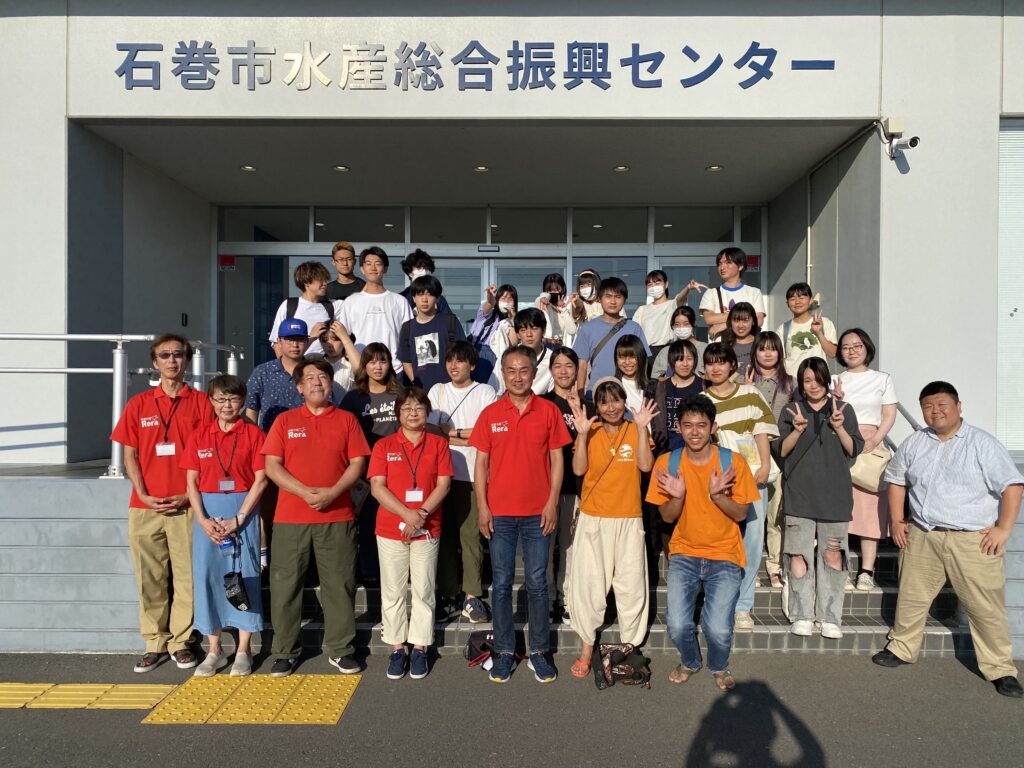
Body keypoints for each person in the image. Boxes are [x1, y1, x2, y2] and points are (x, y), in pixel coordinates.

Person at [873, 381, 1023, 699]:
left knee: (986, 608)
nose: (935, 410)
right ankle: (901, 648)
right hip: (924, 536)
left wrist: (1004, 528)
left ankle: (1001, 669)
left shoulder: (983, 443)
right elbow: (896, 480)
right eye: (928, 405)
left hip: (973, 540)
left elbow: (1013, 485)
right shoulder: (916, 443)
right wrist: (898, 520)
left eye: (942, 404)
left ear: (958, 406)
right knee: (912, 598)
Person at [110, 334, 215, 673]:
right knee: (149, 576)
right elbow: (130, 455)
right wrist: (141, 493)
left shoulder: (201, 403)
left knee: (186, 576)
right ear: (154, 362)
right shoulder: (139, 404)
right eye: (165, 355)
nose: (172, 361)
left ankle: (181, 641)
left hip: (185, 505)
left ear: (186, 360)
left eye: (179, 354)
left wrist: (188, 494)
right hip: (145, 506)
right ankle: (154, 641)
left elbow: (207, 455)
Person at [261, 357, 370, 677]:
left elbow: (357, 464)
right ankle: (284, 651)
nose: (317, 382)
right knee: (285, 588)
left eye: (323, 377)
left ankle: (341, 649)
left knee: (339, 585)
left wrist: (332, 492)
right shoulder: (284, 421)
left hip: (337, 515)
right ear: (299, 387)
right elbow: (272, 466)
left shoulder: (347, 420)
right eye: (309, 378)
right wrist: (304, 491)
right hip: (290, 518)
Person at [470, 346, 571, 684]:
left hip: (537, 514)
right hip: (499, 514)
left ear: (533, 372)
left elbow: (558, 460)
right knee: (500, 585)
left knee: (538, 583)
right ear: (503, 372)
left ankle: (539, 652)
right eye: (511, 370)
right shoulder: (490, 413)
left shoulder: (548, 411)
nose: (517, 376)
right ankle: (503, 652)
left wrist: (552, 502)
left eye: (524, 370)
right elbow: (481, 463)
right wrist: (483, 506)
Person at [646, 395, 760, 691]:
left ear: (713, 427)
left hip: (725, 554)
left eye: (701, 425)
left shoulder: (732, 463)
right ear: (678, 428)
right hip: (683, 552)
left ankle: (719, 666)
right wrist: (678, 495)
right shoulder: (667, 463)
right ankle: (690, 661)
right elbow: (667, 518)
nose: (694, 431)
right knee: (678, 624)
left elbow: (742, 513)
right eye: (688, 425)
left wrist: (719, 495)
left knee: (718, 628)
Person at [567, 379, 658, 678]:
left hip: (629, 518)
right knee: (590, 585)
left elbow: (646, 466)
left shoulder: (635, 430)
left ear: (624, 402)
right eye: (604, 402)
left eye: (616, 400)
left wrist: (643, 428)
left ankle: (629, 650)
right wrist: (581, 436)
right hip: (594, 519)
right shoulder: (589, 431)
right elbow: (578, 470)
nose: (610, 407)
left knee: (631, 584)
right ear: (597, 405)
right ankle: (585, 648)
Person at [182, 375, 268, 677]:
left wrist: (239, 518)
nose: (226, 405)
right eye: (220, 399)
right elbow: (191, 482)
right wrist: (203, 519)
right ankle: (214, 649)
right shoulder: (199, 435)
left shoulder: (254, 434)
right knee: (209, 577)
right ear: (211, 401)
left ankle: (244, 648)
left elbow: (261, 480)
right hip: (208, 512)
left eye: (232, 399)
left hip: (241, 511)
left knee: (244, 576)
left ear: (242, 401)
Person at [368, 387, 453, 681]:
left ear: (427, 412)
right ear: (397, 414)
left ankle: (419, 646)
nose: (413, 413)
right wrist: (407, 514)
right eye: (406, 409)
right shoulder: (384, 446)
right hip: (390, 527)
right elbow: (377, 486)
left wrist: (421, 515)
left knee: (424, 589)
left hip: (428, 528)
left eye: (418, 408)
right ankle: (396, 646)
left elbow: (443, 485)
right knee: (392, 590)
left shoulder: (439, 444)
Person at [775, 358, 862, 640]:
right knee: (798, 557)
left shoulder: (844, 410)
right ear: (800, 383)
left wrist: (838, 426)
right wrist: (798, 430)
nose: (813, 386)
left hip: (834, 497)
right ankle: (802, 615)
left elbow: (852, 449)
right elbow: (782, 451)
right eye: (807, 380)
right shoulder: (791, 409)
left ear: (827, 379)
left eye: (818, 379)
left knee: (833, 557)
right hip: (799, 495)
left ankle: (830, 617)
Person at [701, 343, 779, 631]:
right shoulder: (701, 399)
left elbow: (762, 430)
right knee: (720, 543)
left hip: (752, 478)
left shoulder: (750, 394)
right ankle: (719, 603)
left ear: (733, 365)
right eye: (710, 363)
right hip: (718, 481)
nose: (716, 368)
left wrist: (765, 466)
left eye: (722, 362)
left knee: (753, 542)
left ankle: (743, 606)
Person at [428, 342, 497, 623]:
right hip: (441, 475)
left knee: (470, 537)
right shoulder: (437, 391)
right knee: (442, 538)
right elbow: (431, 431)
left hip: (473, 474)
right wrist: (465, 436)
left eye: (460, 361)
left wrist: (451, 432)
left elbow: (487, 434)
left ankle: (471, 595)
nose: (454, 366)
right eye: (450, 361)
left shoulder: (485, 392)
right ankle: (448, 593)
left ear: (472, 364)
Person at [835, 328, 898, 590]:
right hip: (840, 441)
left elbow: (889, 414)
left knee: (870, 506)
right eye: (846, 346)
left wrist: (874, 439)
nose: (851, 350)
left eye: (856, 345)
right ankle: (838, 566)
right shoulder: (835, 379)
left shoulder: (882, 379)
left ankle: (866, 571)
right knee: (838, 506)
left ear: (867, 347)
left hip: (871, 442)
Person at [341, 343, 403, 582]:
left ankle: (397, 570)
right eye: (372, 362)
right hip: (365, 469)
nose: (378, 367)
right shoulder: (354, 397)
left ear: (389, 364)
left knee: (395, 515)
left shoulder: (399, 393)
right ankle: (369, 570)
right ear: (364, 366)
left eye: (383, 361)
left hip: (397, 466)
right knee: (368, 520)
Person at [541, 347, 589, 624]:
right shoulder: (541, 403)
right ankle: (547, 600)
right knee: (545, 550)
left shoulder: (588, 405)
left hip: (576, 487)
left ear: (577, 370)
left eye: (569, 366)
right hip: (545, 489)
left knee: (571, 549)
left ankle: (567, 599)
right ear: (550, 370)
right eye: (557, 366)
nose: (563, 371)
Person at [747, 331, 797, 589]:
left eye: (773, 349)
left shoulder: (791, 384)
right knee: (752, 517)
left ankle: (775, 566)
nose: (767, 353)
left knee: (776, 515)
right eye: (762, 348)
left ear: (780, 353)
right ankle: (751, 567)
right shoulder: (744, 381)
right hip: (752, 456)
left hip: (781, 453)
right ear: (754, 352)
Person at [336, 246, 413, 374]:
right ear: (362, 269)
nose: (373, 268)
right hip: (363, 368)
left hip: (395, 369)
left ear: (385, 268)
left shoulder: (399, 301)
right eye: (368, 264)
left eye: (378, 264)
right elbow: (344, 336)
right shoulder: (351, 301)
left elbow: (409, 337)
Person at [573, 277, 650, 398]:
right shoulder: (587, 328)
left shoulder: (634, 328)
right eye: (608, 296)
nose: (613, 301)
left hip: (629, 395)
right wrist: (581, 396)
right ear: (599, 299)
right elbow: (581, 366)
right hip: (596, 393)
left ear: (624, 300)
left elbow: (643, 361)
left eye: (618, 297)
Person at [398, 274, 466, 391]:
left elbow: (463, 354)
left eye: (429, 294)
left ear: (438, 298)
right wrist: (416, 383)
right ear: (413, 298)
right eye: (420, 294)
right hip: (422, 392)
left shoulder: (449, 322)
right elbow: (406, 361)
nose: (424, 299)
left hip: (450, 389)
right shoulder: (407, 328)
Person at [245, 318, 312, 433]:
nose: (295, 345)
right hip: (270, 441)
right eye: (289, 340)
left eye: (300, 340)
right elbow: (251, 410)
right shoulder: (263, 372)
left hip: (307, 440)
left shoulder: (315, 372)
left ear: (307, 342)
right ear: (279, 341)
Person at [267, 261, 342, 358]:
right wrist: (286, 370)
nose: (325, 283)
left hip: (325, 366)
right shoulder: (290, 305)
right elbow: (277, 342)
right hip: (298, 367)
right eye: (320, 280)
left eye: (325, 280)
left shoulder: (333, 306)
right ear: (306, 282)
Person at [632, 270, 705, 361]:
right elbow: (634, 333)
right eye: (650, 284)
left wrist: (688, 287)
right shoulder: (641, 310)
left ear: (666, 284)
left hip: (669, 350)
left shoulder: (672, 305)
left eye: (657, 283)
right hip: (646, 353)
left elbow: (679, 298)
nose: (653, 287)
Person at [650, 339, 705, 456]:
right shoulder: (661, 387)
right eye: (679, 359)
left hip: (697, 449)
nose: (685, 364)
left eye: (689, 359)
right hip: (667, 450)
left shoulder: (704, 386)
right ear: (671, 361)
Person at [699, 247, 766, 338]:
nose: (722, 267)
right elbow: (709, 318)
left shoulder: (754, 292)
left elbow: (759, 320)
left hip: (747, 348)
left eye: (728, 262)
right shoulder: (711, 293)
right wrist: (745, 317)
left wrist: (725, 324)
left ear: (740, 266)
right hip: (719, 349)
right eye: (720, 263)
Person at [775, 282, 837, 376]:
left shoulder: (824, 323)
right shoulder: (783, 329)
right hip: (793, 383)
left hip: (818, 380)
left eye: (802, 298)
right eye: (792, 299)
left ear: (811, 300)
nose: (797, 302)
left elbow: (833, 353)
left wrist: (819, 333)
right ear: (787, 303)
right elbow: (780, 360)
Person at [493, 307, 553, 395]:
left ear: (543, 331)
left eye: (534, 328)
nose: (529, 334)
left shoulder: (553, 360)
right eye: (523, 330)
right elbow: (496, 390)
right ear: (518, 334)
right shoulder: (507, 357)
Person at [468, 283, 517, 385]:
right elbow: (489, 304)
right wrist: (491, 296)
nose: (507, 301)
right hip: (481, 352)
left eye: (510, 299)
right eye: (503, 298)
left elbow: (513, 344)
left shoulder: (513, 321)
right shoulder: (487, 315)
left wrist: (513, 319)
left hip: (500, 357)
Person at [650, 305, 707, 379]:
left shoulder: (705, 349)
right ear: (672, 326)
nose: (681, 327)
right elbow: (656, 378)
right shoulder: (666, 351)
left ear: (693, 324)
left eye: (686, 324)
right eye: (677, 324)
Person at [317, 320, 361, 403]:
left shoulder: (351, 363)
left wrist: (344, 336)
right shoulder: (316, 363)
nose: (329, 344)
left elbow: (361, 371)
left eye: (335, 339)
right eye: (324, 340)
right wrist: (311, 338)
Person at [398, 248, 453, 315]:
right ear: (410, 273)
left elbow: (450, 322)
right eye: (419, 268)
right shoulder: (401, 298)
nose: (423, 271)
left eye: (426, 268)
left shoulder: (438, 299)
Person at [534, 273, 579, 348]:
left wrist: (563, 310)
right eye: (549, 290)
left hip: (560, 346)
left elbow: (572, 330)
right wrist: (543, 298)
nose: (553, 293)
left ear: (563, 289)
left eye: (556, 290)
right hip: (544, 345)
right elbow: (538, 300)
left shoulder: (568, 307)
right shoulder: (544, 305)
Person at [719, 302, 760, 378]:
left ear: (753, 321)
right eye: (736, 320)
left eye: (745, 320)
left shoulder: (761, 343)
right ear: (730, 322)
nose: (741, 325)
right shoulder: (725, 347)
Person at [613, 334, 650, 415]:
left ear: (641, 357)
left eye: (632, 357)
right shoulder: (612, 387)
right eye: (622, 357)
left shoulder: (654, 387)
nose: (627, 362)